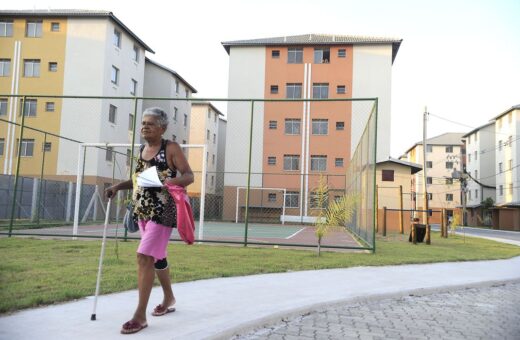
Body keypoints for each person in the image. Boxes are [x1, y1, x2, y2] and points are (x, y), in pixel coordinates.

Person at [105, 107, 194, 335]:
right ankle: (169, 298)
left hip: (163, 211)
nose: (144, 126)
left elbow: (189, 175)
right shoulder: (142, 149)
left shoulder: (170, 148)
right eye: (143, 123)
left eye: (150, 123)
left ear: (162, 128)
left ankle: (140, 316)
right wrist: (117, 187)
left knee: (144, 256)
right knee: (157, 257)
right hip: (142, 210)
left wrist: (168, 184)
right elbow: (138, 180)